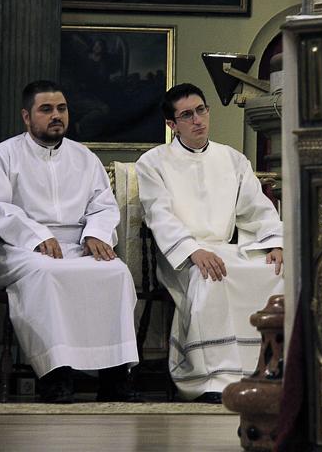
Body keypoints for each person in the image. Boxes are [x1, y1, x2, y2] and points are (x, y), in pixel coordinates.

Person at [0, 80, 139, 403]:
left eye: (61, 109)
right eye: (46, 109)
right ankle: (56, 374)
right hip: (21, 248)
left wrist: (95, 234)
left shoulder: (84, 157)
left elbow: (103, 205)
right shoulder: (5, 155)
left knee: (115, 273)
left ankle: (115, 374)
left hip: (78, 244)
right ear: (26, 116)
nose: (56, 116)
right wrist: (37, 236)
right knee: (48, 274)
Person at [135, 83, 284, 403]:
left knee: (274, 272)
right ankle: (214, 376)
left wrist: (275, 243)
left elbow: (257, 208)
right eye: (187, 115)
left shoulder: (232, 159)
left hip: (225, 248)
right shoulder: (153, 162)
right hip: (182, 254)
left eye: (201, 110)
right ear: (171, 124)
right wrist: (192, 250)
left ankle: (265, 369)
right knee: (212, 277)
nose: (198, 120)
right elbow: (158, 213)